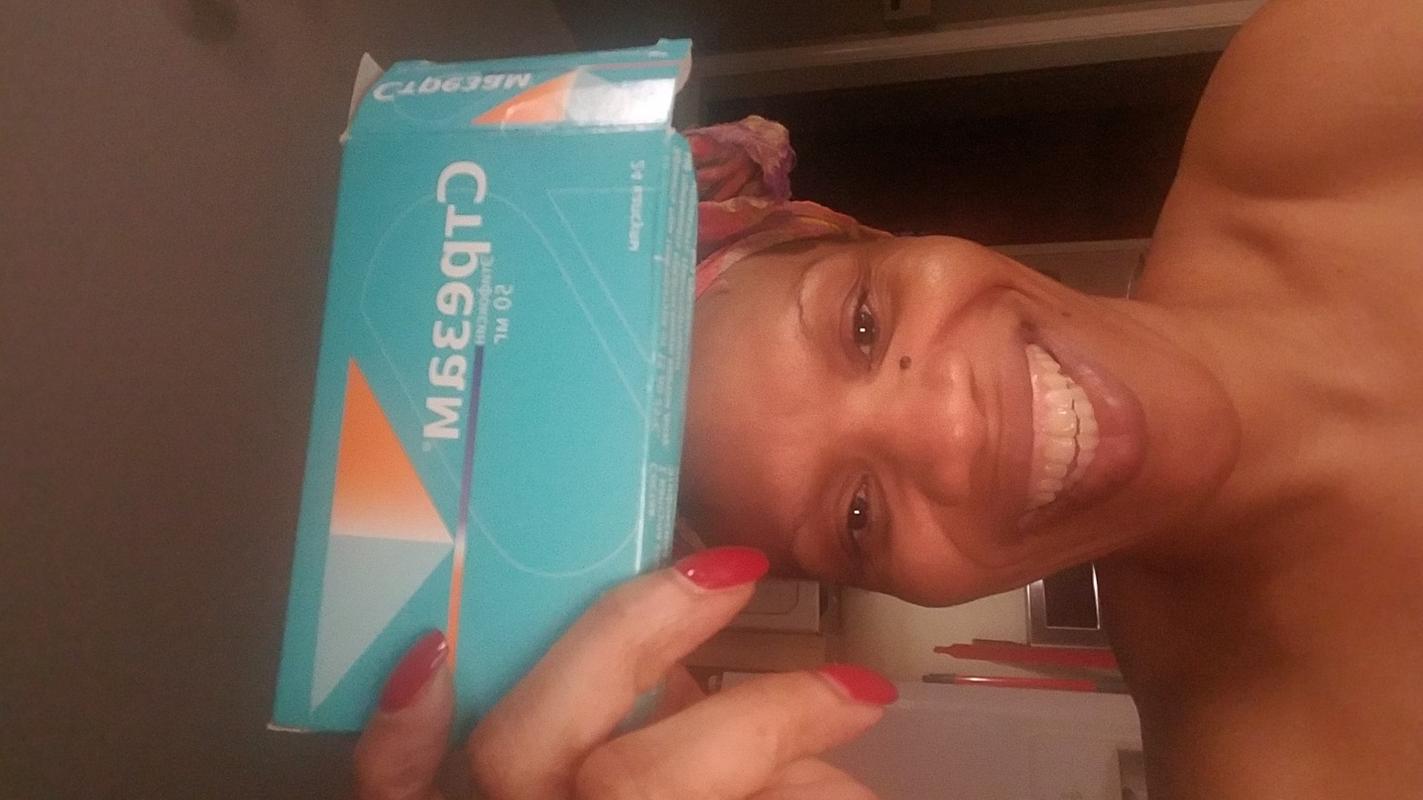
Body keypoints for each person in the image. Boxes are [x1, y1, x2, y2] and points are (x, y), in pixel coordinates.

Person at [352, 1, 1423, 797]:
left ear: (863, 232)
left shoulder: (1323, 93)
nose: (953, 433)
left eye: (861, 324)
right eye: (856, 514)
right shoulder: (1274, 769)